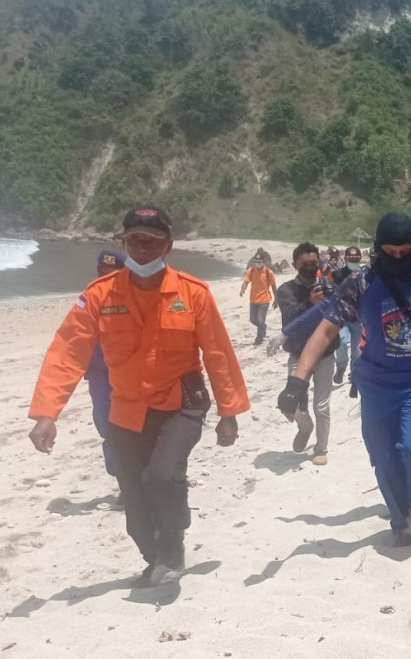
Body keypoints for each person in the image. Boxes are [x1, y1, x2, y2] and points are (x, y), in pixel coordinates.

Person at [28, 206, 249, 586]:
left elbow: (217, 353)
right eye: (135, 241)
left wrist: (229, 412)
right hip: (127, 409)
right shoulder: (100, 294)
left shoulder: (194, 294)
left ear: (168, 246)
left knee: (163, 477)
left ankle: (174, 544)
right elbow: (68, 351)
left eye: (152, 242)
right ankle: (155, 559)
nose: (143, 250)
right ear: (124, 243)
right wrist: (48, 412)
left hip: (181, 403)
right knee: (133, 499)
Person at [278, 213, 411, 547]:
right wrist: (297, 381)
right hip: (375, 386)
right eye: (390, 252)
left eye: (405, 252)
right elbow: (326, 328)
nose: (398, 259)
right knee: (385, 458)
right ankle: (401, 519)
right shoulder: (360, 284)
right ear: (377, 249)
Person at [276, 242, 337, 465]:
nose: (310, 267)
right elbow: (290, 320)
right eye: (305, 264)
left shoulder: (330, 287)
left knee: (322, 406)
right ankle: (305, 427)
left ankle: (321, 448)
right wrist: (310, 303)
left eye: (314, 263)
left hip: (326, 355)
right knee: (291, 403)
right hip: (298, 355)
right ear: (295, 265)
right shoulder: (286, 290)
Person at [88, 250, 125, 477]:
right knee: (107, 429)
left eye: (113, 274)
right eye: (102, 272)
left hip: (126, 378)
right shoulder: (88, 298)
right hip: (99, 378)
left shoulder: (134, 301)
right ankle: (121, 478)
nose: (106, 278)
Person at [327, 246, 364, 385]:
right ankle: (341, 366)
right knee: (341, 342)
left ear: (360, 257)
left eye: (356, 256)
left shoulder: (365, 273)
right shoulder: (337, 274)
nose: (353, 258)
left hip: (358, 318)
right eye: (350, 256)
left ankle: (353, 375)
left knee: (356, 349)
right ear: (345, 258)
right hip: (341, 317)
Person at [240, 252, 276, 345]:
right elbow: (246, 281)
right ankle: (263, 327)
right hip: (253, 300)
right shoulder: (251, 271)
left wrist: (277, 299)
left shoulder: (269, 273)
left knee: (260, 320)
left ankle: (259, 339)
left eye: (260, 261)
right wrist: (242, 289)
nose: (258, 263)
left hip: (264, 300)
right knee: (253, 320)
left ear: (264, 262)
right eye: (256, 261)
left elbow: (273, 286)